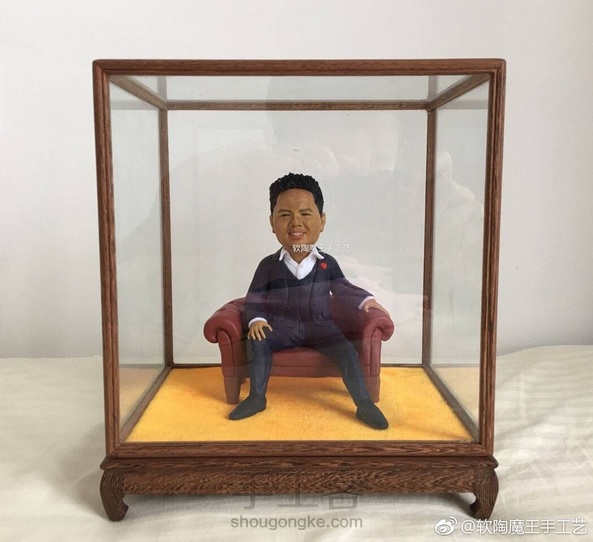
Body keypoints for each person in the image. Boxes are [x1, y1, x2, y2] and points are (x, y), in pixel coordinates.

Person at [229, 173, 390, 429]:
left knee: (348, 351)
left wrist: (366, 300)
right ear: (272, 222)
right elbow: (255, 297)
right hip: (282, 326)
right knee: (257, 341)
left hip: (321, 327)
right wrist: (257, 319)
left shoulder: (327, 263)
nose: (296, 222)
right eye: (285, 214)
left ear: (322, 220)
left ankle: (364, 403)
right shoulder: (268, 265)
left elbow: (342, 288)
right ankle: (257, 397)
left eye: (305, 213)